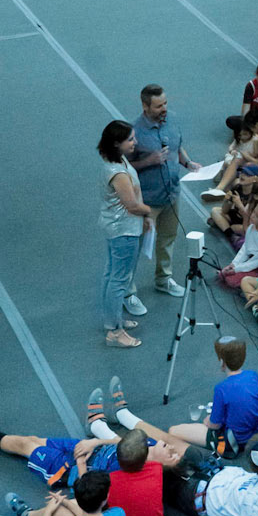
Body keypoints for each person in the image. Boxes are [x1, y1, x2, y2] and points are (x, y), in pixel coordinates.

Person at [129, 85, 198, 302]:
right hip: (148, 201)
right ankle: (127, 290)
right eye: (158, 106)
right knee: (136, 246)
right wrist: (148, 161)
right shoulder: (134, 132)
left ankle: (163, 279)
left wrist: (187, 162)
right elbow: (125, 167)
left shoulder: (171, 122)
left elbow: (177, 147)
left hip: (171, 194)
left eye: (165, 103)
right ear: (145, 106)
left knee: (168, 238)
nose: (164, 109)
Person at [96, 120, 154, 349]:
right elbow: (132, 205)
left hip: (118, 227)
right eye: (130, 139)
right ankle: (114, 332)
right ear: (117, 144)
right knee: (119, 279)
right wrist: (149, 211)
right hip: (124, 230)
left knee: (112, 275)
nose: (135, 142)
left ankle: (114, 320)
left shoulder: (118, 161)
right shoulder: (117, 172)